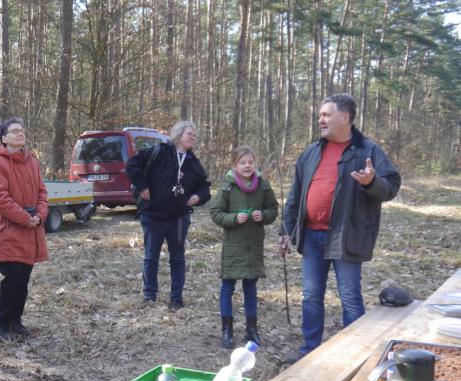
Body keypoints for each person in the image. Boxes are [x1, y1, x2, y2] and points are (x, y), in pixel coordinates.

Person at [279, 93, 401, 363]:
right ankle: (310, 352)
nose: (320, 119)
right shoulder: (311, 152)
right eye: (320, 115)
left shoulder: (368, 151)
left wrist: (371, 182)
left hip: (347, 235)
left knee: (350, 297)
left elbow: (391, 186)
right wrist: (286, 231)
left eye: (326, 114)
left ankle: (355, 358)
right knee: (311, 297)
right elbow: (295, 196)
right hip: (311, 235)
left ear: (345, 117)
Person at [126, 120, 211, 309]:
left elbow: (205, 188)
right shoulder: (160, 152)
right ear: (178, 135)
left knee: (178, 258)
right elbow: (132, 165)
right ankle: (149, 296)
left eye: (195, 135)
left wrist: (197, 197)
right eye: (190, 134)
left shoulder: (193, 162)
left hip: (178, 218)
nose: (193, 137)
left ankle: (176, 299)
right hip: (153, 215)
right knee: (151, 257)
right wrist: (142, 186)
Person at [209, 146, 279, 348]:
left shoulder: (263, 185)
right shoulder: (227, 186)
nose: (247, 166)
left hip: (253, 244)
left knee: (250, 287)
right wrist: (233, 218)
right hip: (233, 245)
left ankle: (251, 330)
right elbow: (215, 212)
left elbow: (273, 208)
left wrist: (263, 215)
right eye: (242, 162)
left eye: (250, 162)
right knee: (227, 287)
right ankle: (227, 331)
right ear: (234, 165)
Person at [0, 118, 48, 341]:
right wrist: (25, 218)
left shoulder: (32, 162)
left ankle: (15, 320)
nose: (20, 133)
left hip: (31, 229)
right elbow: (0, 197)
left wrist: (40, 215)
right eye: (14, 131)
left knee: (23, 279)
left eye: (22, 130)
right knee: (12, 278)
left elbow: (42, 193)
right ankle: (2, 325)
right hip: (9, 228)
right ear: (4, 138)